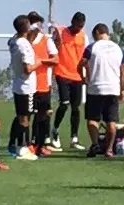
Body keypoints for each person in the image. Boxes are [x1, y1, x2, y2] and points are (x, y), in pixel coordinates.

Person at [81, 23, 124, 158]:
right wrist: (122, 89)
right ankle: (109, 149)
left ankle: (95, 144)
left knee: (92, 119)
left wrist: (84, 78)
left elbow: (81, 64)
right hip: (113, 88)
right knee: (111, 120)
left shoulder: (91, 47)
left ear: (97, 33)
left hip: (95, 88)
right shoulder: (118, 48)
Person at [52, 12, 88, 149]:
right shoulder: (61, 32)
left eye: (81, 26)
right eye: (77, 26)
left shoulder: (83, 36)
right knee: (64, 103)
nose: (78, 29)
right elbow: (54, 44)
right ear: (72, 22)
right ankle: (55, 130)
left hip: (77, 75)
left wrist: (85, 75)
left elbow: (85, 57)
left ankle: (74, 138)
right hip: (62, 72)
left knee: (76, 107)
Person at [6, 14, 39, 161]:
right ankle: (23, 149)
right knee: (25, 119)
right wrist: (39, 62)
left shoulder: (14, 41)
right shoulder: (23, 45)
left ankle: (17, 146)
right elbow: (28, 68)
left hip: (18, 84)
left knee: (21, 117)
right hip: (26, 86)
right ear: (27, 27)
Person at [26, 12, 56, 156]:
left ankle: (40, 145)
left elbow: (55, 59)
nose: (38, 26)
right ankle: (25, 144)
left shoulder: (46, 39)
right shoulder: (23, 41)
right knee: (26, 115)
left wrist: (41, 61)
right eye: (34, 23)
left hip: (43, 83)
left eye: (39, 23)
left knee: (43, 115)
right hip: (27, 85)